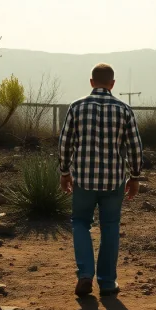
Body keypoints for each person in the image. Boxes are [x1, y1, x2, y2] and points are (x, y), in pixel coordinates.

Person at [58, 63, 144, 297]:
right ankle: (107, 283)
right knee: (110, 227)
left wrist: (65, 172)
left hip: (83, 179)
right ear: (112, 84)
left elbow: (65, 143)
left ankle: (85, 274)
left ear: (91, 82)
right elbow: (135, 147)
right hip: (114, 180)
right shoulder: (124, 110)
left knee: (80, 223)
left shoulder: (76, 107)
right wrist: (135, 177)